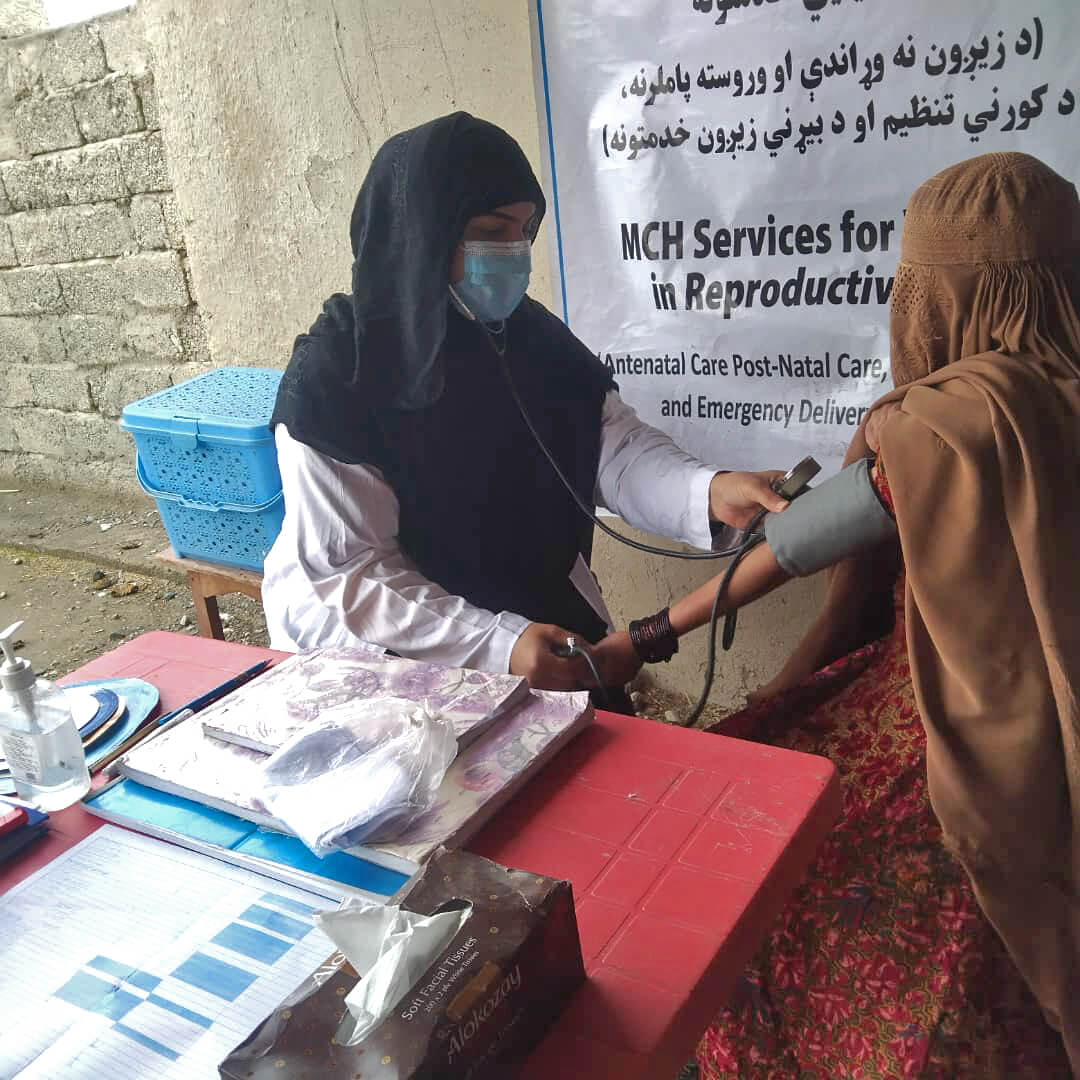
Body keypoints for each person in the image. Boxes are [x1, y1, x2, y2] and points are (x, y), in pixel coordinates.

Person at [604, 151, 1080, 1076]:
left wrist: (636, 639)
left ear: (943, 297)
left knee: (758, 862)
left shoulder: (944, 424)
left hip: (953, 742)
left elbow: (789, 549)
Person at [262, 112, 788, 694]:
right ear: (422, 235)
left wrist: (709, 491)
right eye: (492, 230)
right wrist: (501, 645)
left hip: (522, 604)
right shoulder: (339, 370)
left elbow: (611, 449)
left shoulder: (528, 336)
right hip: (383, 639)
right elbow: (352, 572)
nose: (514, 250)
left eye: (523, 230)